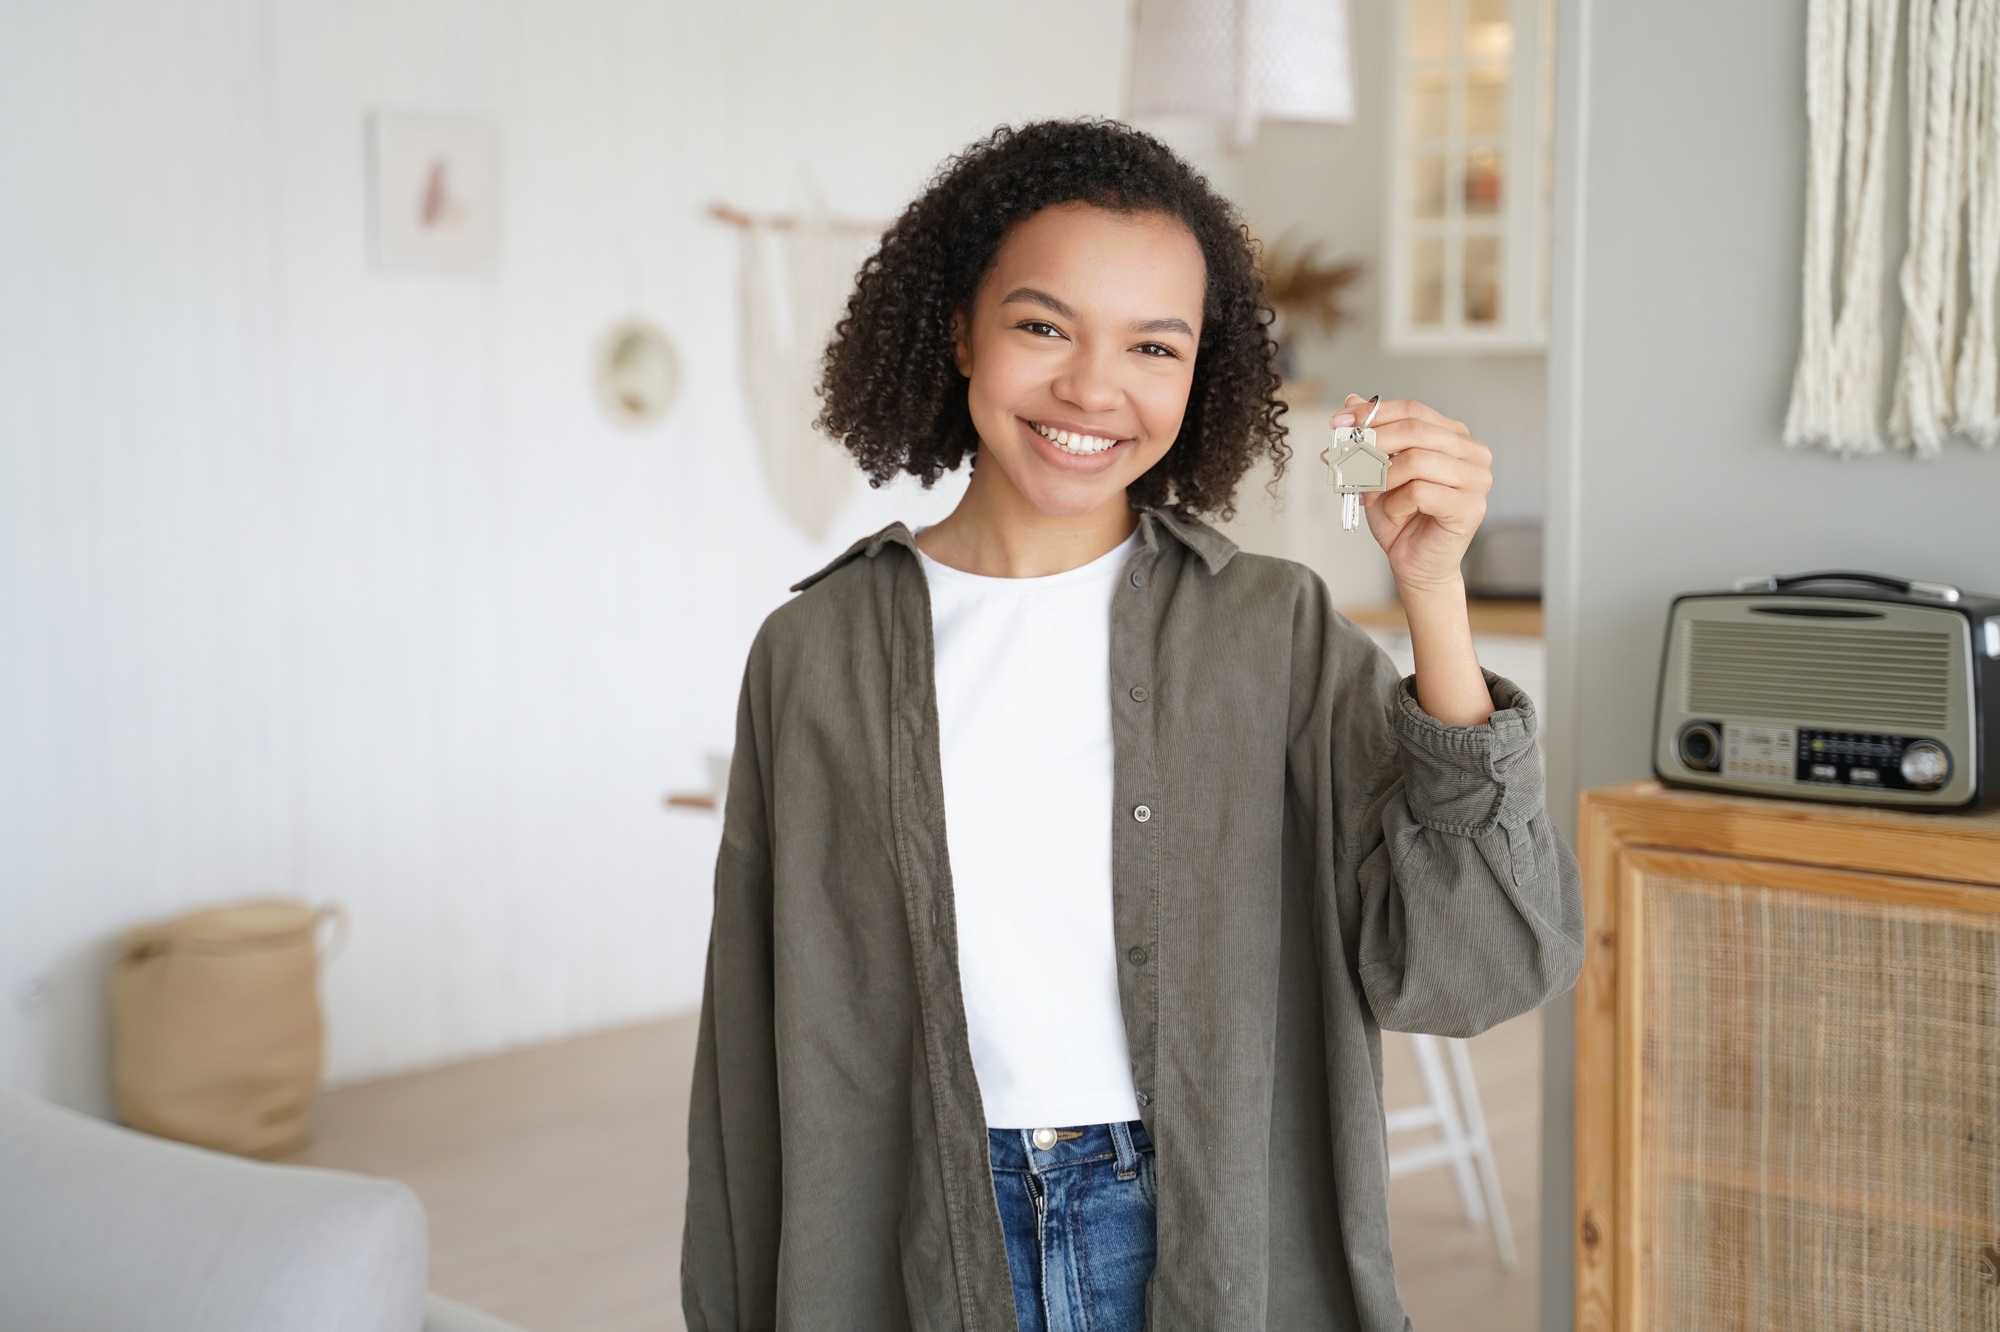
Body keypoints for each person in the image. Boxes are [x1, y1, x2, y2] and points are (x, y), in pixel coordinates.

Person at [681, 119, 1584, 1332]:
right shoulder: (814, 656)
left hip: (1198, 1228)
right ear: (960, 329)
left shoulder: (1273, 632)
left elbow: (1469, 970)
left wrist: (1431, 588)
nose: (1092, 389)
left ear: (1196, 371)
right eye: (1043, 326)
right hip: (913, 1224)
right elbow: (748, 1053)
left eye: (1152, 345)